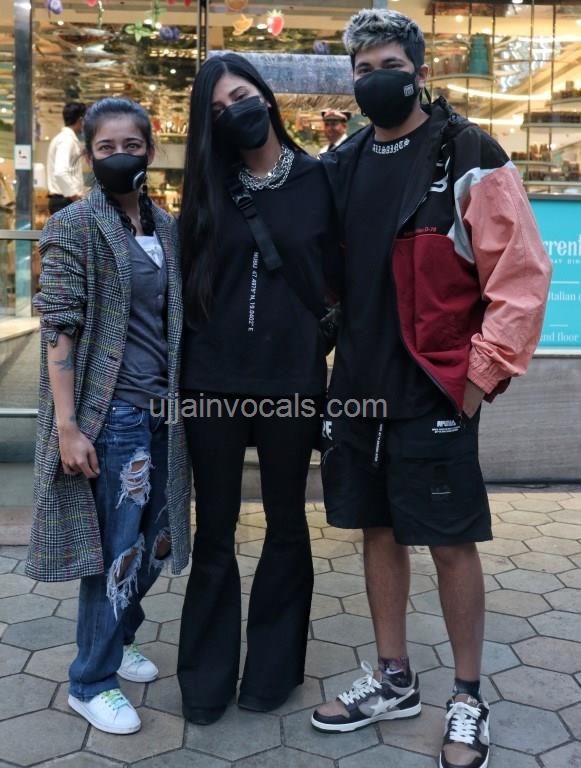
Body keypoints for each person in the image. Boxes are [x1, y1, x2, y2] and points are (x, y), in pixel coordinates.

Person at [311, 10, 552, 768]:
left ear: (419, 71)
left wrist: (477, 379)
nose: (374, 80)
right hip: (358, 386)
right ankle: (393, 680)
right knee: (376, 530)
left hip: (435, 387)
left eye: (388, 65)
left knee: (449, 541)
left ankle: (467, 696)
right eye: (362, 70)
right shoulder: (344, 162)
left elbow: (520, 275)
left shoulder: (468, 152)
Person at [177, 52, 336, 725]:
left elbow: (342, 281)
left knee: (285, 523)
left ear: (266, 98)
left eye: (239, 97)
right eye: (216, 110)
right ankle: (205, 677)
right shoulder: (208, 187)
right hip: (211, 380)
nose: (232, 112)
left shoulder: (322, 180)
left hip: (291, 378)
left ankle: (272, 670)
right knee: (214, 528)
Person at [27, 97, 191, 736]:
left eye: (132, 145)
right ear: (89, 154)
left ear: (150, 149)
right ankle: (90, 680)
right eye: (106, 147)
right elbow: (59, 330)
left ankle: (120, 637)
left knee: (159, 539)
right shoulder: (73, 227)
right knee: (115, 550)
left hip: (164, 412)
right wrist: (68, 426)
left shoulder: (167, 227)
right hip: (112, 413)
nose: (120, 155)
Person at [46, 102, 87, 214]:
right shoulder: (67, 140)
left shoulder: (63, 138)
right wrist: (76, 197)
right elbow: (61, 172)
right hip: (65, 202)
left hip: (63, 201)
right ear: (81, 120)